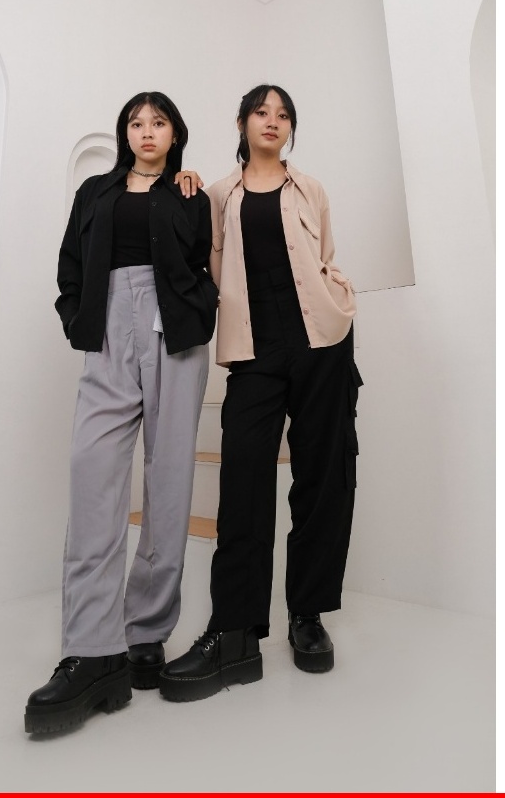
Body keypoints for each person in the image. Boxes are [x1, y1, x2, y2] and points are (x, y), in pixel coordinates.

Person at [159, 84, 363, 702]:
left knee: (323, 477)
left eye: (283, 115)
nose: (272, 121)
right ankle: (235, 633)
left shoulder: (312, 189)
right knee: (244, 482)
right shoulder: (219, 194)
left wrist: (339, 298)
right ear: (243, 123)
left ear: (290, 128)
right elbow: (200, 257)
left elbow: (324, 254)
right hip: (254, 351)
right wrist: (179, 180)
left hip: (322, 343)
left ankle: (308, 615)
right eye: (261, 112)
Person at [24, 92, 217, 734]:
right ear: (123, 133)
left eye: (158, 123)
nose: (146, 132)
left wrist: (199, 310)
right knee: (93, 477)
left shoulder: (190, 194)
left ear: (174, 134)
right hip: (109, 330)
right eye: (136, 123)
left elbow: (205, 264)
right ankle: (91, 649)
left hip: (175, 336)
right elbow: (70, 264)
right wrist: (77, 315)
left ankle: (145, 633)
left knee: (170, 481)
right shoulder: (95, 192)